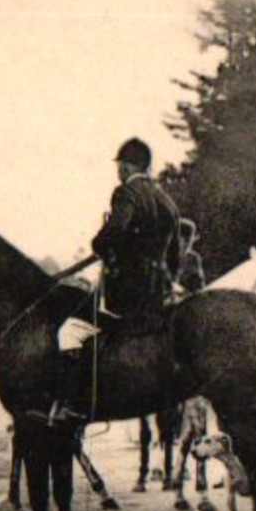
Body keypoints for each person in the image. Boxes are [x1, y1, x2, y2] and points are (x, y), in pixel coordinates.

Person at [48, 137, 181, 425]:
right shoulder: (167, 201)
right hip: (157, 294)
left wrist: (100, 243)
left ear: (128, 166)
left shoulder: (126, 193)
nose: (118, 171)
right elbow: (175, 256)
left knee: (69, 332)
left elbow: (116, 229)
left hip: (126, 292)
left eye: (120, 165)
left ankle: (71, 404)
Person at [173, 217, 206, 297]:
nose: (185, 245)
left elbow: (199, 284)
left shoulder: (193, 258)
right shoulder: (165, 256)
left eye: (188, 241)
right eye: (181, 241)